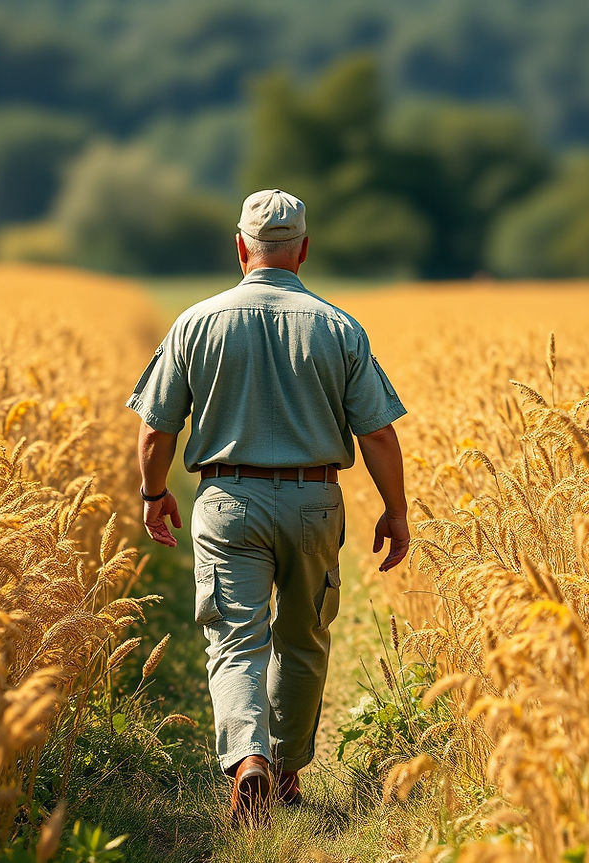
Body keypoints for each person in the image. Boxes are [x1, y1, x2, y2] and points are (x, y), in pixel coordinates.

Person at [126, 189, 410, 824]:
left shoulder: (195, 323)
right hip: (315, 499)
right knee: (304, 637)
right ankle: (283, 772)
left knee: (234, 640)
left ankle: (246, 759)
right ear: (304, 250)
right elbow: (380, 434)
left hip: (227, 500)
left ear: (239, 247)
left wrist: (153, 493)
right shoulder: (339, 327)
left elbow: (154, 432)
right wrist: (396, 509)